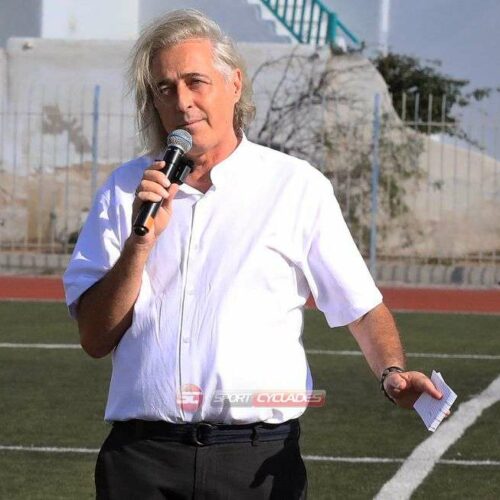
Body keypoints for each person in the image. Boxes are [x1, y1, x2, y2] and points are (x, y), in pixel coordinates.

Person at [63, 9, 443, 500]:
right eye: (165, 88)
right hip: (142, 460)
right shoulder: (125, 190)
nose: (182, 101)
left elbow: (362, 307)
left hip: (255, 460)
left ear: (235, 84)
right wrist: (140, 245)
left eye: (196, 81)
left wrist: (392, 373)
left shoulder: (295, 186)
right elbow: (95, 338)